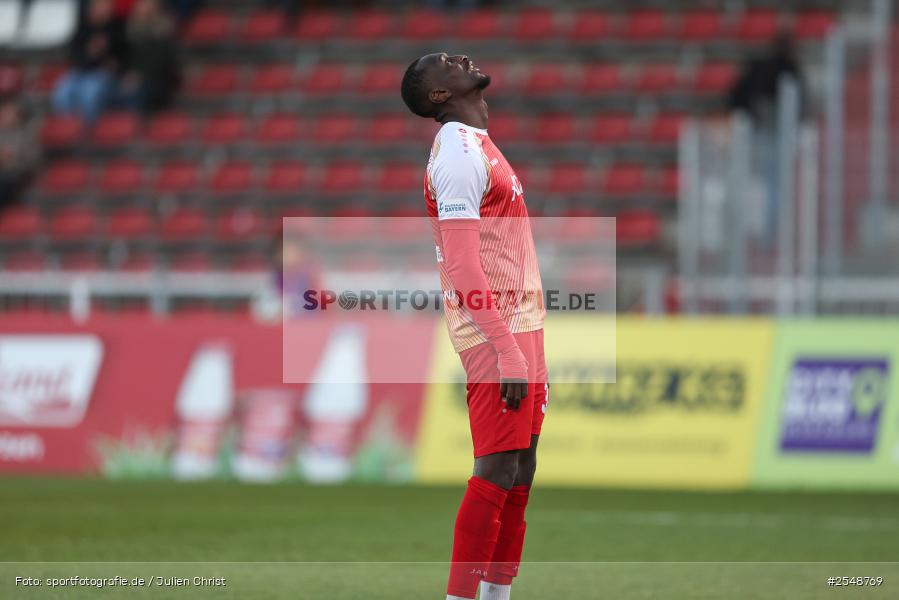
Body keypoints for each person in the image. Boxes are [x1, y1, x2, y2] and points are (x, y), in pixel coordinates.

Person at [401, 53, 548, 600]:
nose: (458, 58)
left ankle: (496, 596)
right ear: (439, 95)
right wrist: (506, 350)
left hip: (522, 324)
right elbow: (463, 264)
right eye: (444, 63)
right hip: (496, 332)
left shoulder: (476, 142)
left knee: (522, 466)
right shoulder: (458, 153)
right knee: (496, 465)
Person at [53, 0, 128, 125]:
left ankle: (87, 129)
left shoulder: (118, 29)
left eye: (105, 7)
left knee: (90, 93)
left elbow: (121, 57)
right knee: (62, 93)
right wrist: (90, 53)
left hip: (102, 74)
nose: (102, 10)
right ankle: (68, 128)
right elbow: (75, 55)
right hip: (81, 71)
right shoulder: (83, 28)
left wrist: (106, 57)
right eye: (99, 6)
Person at [119, 0, 179, 114]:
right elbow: (127, 57)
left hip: (157, 78)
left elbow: (162, 60)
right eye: (140, 6)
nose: (143, 9)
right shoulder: (131, 29)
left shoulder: (162, 30)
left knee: (137, 92)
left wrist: (139, 76)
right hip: (131, 76)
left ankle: (135, 125)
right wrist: (126, 74)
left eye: (146, 6)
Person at [0, 96, 40, 210]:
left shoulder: (26, 136)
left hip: (15, 175)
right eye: (4, 113)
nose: (6, 116)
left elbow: (32, 161)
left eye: (10, 113)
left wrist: (10, 160)